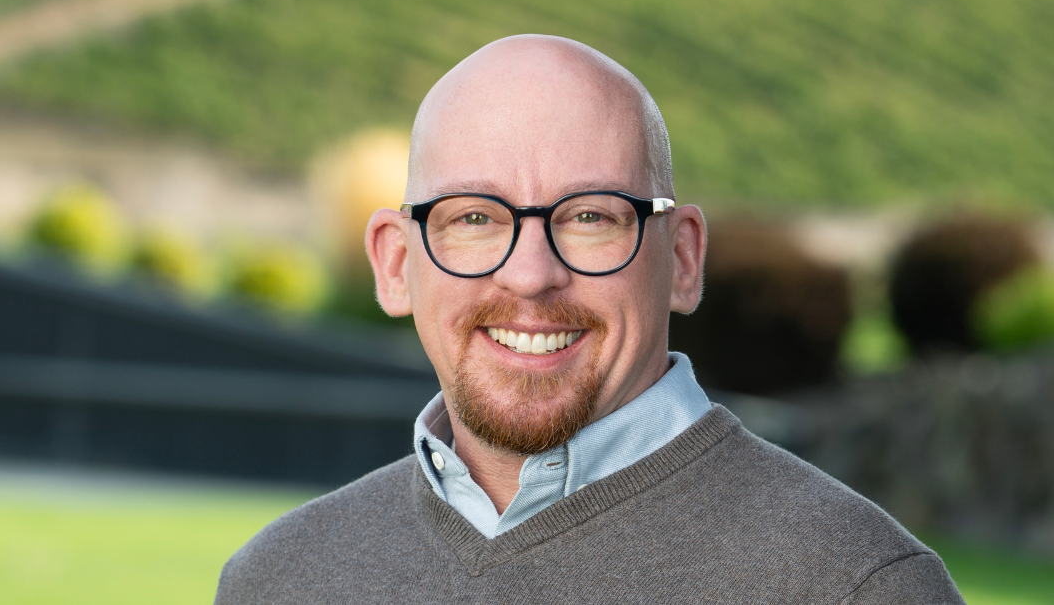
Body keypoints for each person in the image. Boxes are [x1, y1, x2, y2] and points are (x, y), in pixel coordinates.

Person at [215, 34, 965, 604]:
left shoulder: (853, 585)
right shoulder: (279, 581)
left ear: (683, 260)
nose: (531, 274)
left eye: (591, 217)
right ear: (394, 262)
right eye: (475, 216)